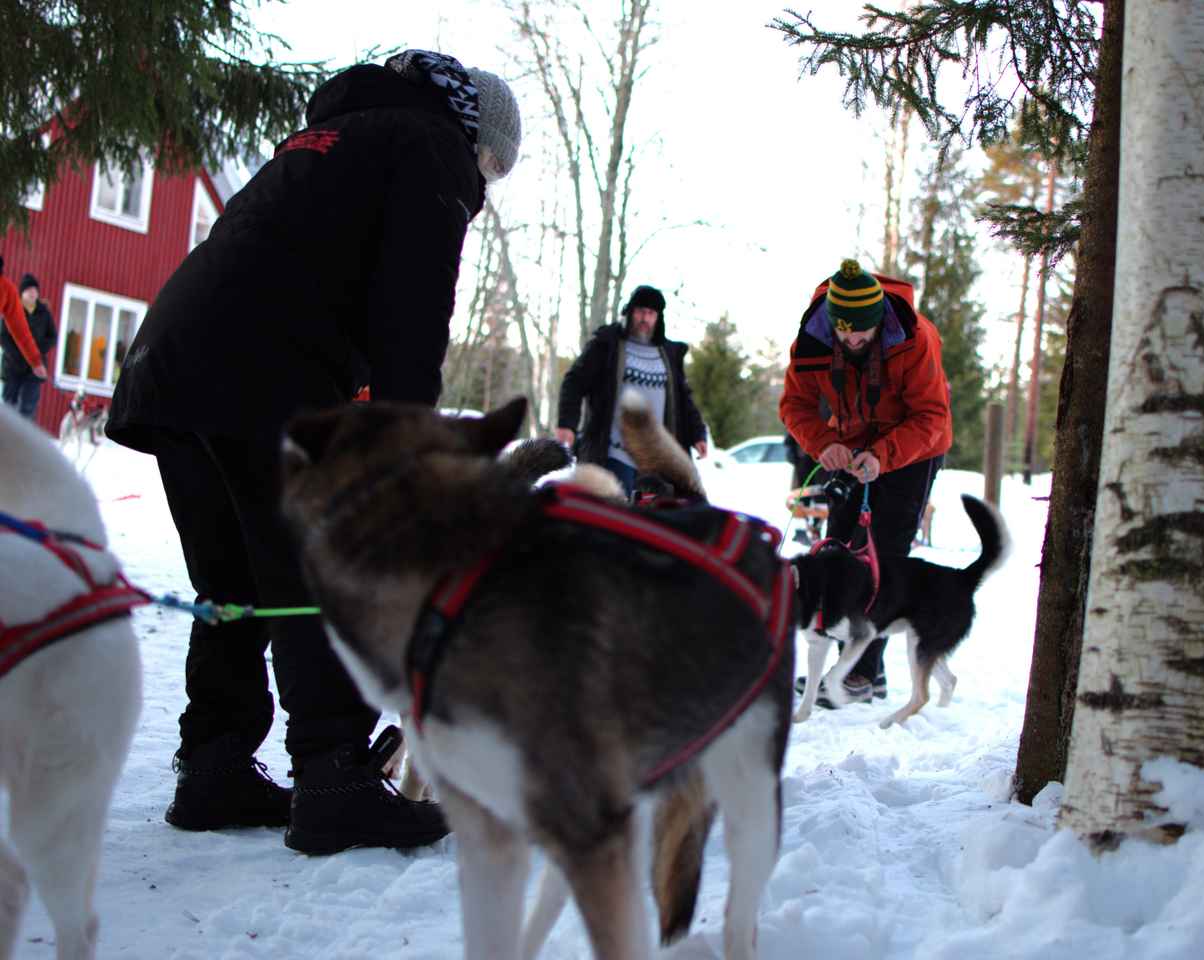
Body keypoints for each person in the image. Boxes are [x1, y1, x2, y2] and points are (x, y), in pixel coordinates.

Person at [105, 50, 522, 855]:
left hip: (171, 359)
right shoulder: (431, 147)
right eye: (494, 166)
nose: (486, 185)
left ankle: (215, 764)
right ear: (474, 136)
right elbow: (409, 316)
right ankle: (334, 781)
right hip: (257, 369)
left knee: (233, 579)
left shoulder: (337, 137)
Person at [780, 259, 952, 703]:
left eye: (863, 334)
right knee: (839, 549)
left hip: (914, 449)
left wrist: (883, 455)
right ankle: (854, 667)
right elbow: (795, 405)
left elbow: (931, 415)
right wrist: (824, 444)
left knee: (883, 554)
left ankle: (860, 674)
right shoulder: (813, 339)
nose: (854, 341)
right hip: (850, 444)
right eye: (845, 334)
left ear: (879, 323)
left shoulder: (915, 338)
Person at [555, 285, 709, 496]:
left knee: (659, 511)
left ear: (658, 318)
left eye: (651, 313)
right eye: (640, 311)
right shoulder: (607, 344)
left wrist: (697, 433)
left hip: (658, 456)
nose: (645, 318)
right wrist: (566, 423)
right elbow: (574, 381)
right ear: (630, 312)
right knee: (616, 508)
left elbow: (683, 399)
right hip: (614, 452)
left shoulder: (669, 353)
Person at [0, 261, 51, 420]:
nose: (32, 294)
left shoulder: (6, 289)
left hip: (29, 370)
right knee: (9, 405)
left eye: (34, 290)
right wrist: (16, 354)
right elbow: (4, 335)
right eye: (29, 290)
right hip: (12, 365)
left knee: (25, 411)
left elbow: (22, 332)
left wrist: (36, 359)